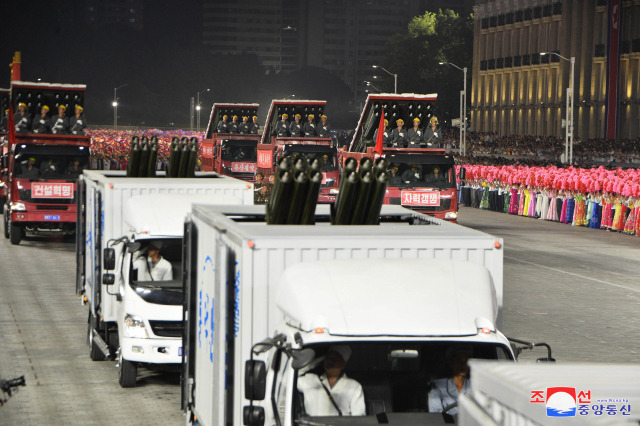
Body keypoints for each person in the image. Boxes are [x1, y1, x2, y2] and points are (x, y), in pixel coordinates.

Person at [297, 345, 365, 417]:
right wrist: (312, 364)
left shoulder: (354, 386)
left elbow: (359, 419)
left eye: (335, 359)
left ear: (343, 364)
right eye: (328, 358)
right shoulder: (311, 380)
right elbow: (287, 379)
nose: (330, 361)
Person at [428, 346, 472, 416]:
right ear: (451, 363)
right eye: (459, 361)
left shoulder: (476, 386)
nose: (463, 365)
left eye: (466, 361)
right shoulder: (438, 387)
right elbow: (435, 416)